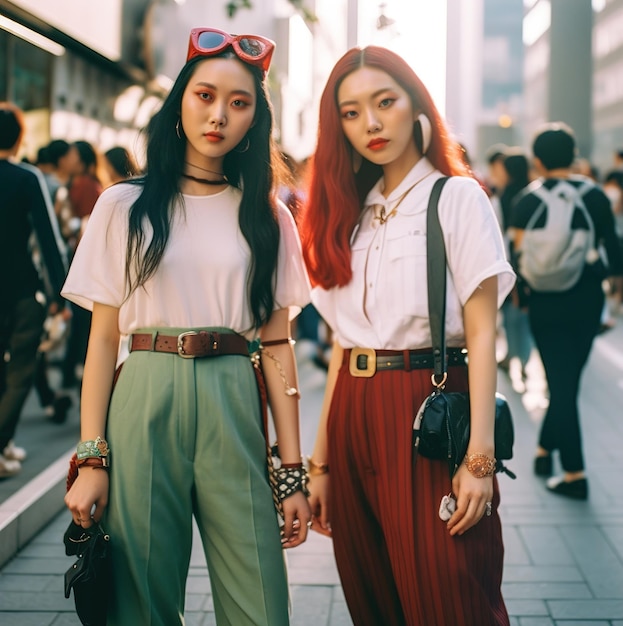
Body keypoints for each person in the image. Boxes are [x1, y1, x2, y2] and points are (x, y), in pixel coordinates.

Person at [61, 27, 312, 625]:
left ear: (256, 119)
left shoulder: (268, 214)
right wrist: (91, 457)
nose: (219, 115)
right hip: (145, 391)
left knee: (262, 605)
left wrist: (293, 472)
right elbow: (102, 340)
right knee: (140, 602)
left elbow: (277, 343)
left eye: (239, 102)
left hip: (233, 393)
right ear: (178, 102)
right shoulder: (123, 204)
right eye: (205, 95)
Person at [300, 46, 515, 626]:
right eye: (350, 112)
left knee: (451, 596)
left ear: (416, 107)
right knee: (371, 596)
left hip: (429, 406)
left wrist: (479, 460)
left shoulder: (457, 196)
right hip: (352, 411)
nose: (370, 123)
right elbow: (344, 345)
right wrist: (319, 465)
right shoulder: (354, 213)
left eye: (384, 102)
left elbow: (483, 331)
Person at [512, 123, 623, 500]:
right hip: (586, 299)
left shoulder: (526, 201)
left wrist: (520, 297)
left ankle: (573, 473)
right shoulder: (595, 197)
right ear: (574, 155)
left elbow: (513, 257)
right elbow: (614, 248)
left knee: (561, 381)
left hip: (544, 303)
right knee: (567, 380)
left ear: (538, 160)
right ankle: (549, 455)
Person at [0, 102, 68, 476]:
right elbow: (48, 238)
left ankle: (4, 446)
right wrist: (61, 294)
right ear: (19, 137)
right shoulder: (27, 178)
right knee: (20, 373)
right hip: (23, 290)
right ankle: (1, 445)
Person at [60, 140, 103, 390]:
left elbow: (86, 226)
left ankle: (74, 374)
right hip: (75, 258)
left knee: (81, 324)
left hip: (81, 260)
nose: (69, 157)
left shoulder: (87, 185)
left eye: (73, 154)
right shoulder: (78, 182)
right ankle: (71, 372)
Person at [498, 149, 534, 389]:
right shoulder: (533, 191)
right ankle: (524, 360)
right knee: (527, 317)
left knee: (511, 315)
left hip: (512, 262)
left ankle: (512, 355)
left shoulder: (507, 194)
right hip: (534, 264)